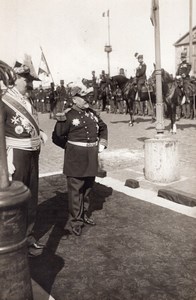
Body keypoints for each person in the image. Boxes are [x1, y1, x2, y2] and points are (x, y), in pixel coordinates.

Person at [2, 60, 48, 257]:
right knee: (17, 197)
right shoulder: (4, 101)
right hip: (16, 155)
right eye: (26, 80)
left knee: (31, 195)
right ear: (16, 79)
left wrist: (41, 132)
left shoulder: (27, 100)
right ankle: (15, 238)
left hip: (32, 152)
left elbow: (31, 123)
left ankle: (28, 236)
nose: (30, 85)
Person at [55, 85, 108, 236]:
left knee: (87, 188)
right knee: (75, 191)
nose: (87, 100)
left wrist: (102, 143)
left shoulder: (92, 114)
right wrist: (70, 148)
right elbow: (57, 136)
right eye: (83, 98)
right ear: (74, 99)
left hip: (91, 156)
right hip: (76, 158)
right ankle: (76, 221)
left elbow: (103, 127)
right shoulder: (68, 115)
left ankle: (83, 215)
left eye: (87, 97)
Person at [176, 51, 192, 118]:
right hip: (180, 80)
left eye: (183, 57)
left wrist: (184, 74)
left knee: (186, 88)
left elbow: (188, 71)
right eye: (181, 57)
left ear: (185, 57)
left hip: (186, 79)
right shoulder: (179, 65)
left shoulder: (188, 64)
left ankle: (187, 97)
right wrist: (177, 75)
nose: (182, 58)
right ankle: (178, 115)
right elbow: (177, 72)